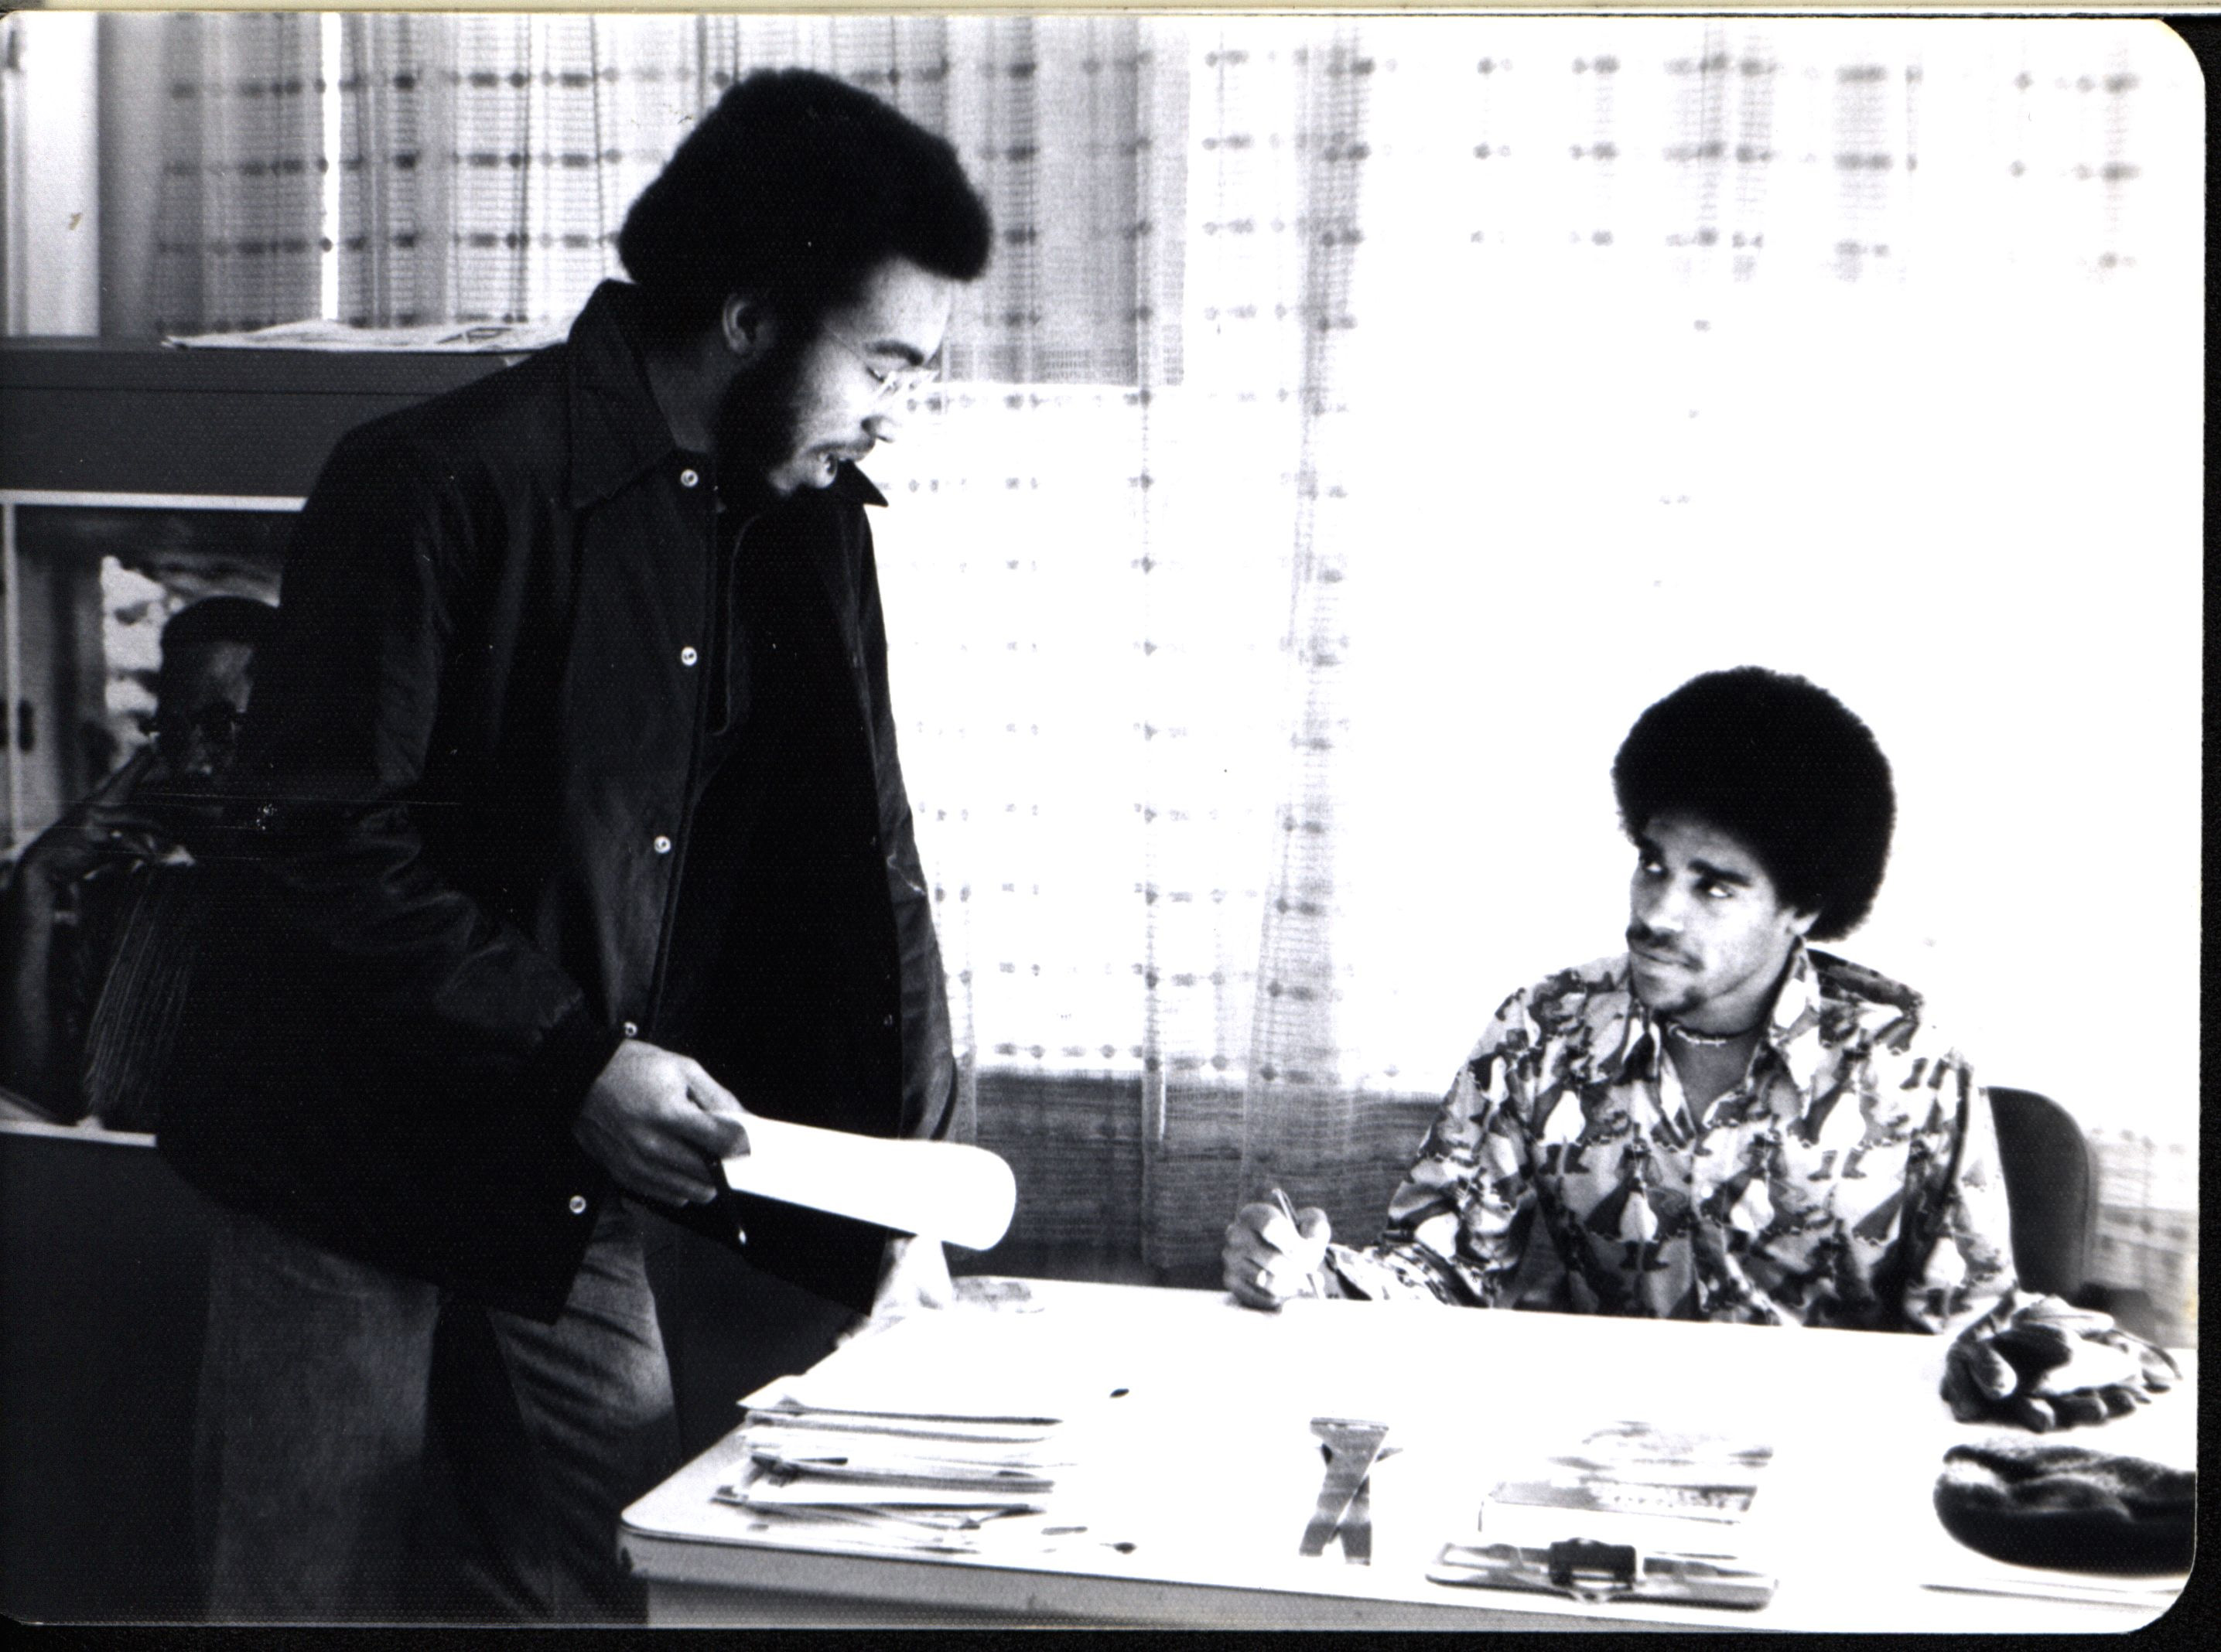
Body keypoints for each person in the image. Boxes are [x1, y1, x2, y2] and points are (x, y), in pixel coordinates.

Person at [155, 70, 991, 1622]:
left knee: (626, 1577)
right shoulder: (434, 481)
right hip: (342, 1163)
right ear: (749, 316)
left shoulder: (809, 520)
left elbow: (867, 857)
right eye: (884, 358)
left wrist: (914, 1186)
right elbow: (320, 847)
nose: (900, 405)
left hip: (566, 1163)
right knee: (298, 1596)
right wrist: (574, 1064)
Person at [1223, 667, 2176, 1428]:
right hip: (1585, 1462)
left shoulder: (1907, 1060)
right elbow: (1448, 1270)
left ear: (1802, 907)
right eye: (1652, 863)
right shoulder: (1542, 1030)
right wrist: (1313, 1274)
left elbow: (1967, 1328)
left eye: (1713, 886)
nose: (1655, 912)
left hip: (1831, 1476)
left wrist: (2023, 1365)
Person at [0, 595, 273, 1128]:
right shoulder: (135, 905)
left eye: (221, 729)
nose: (192, 764)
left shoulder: (355, 913)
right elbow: (34, 1119)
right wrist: (37, 881)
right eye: (173, 733)